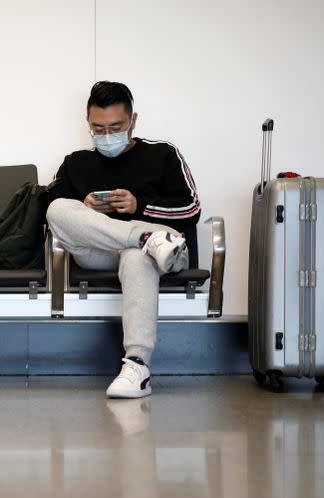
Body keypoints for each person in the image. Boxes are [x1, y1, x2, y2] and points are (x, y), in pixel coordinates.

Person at [46, 81, 201, 399]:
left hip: (166, 252)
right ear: (88, 124)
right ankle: (145, 237)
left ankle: (137, 365)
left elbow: (192, 210)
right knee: (58, 207)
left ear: (133, 120)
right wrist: (86, 206)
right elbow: (54, 216)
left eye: (115, 127)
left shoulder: (163, 154)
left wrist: (138, 205)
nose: (107, 135)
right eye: (98, 128)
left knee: (137, 255)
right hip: (102, 251)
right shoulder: (76, 163)